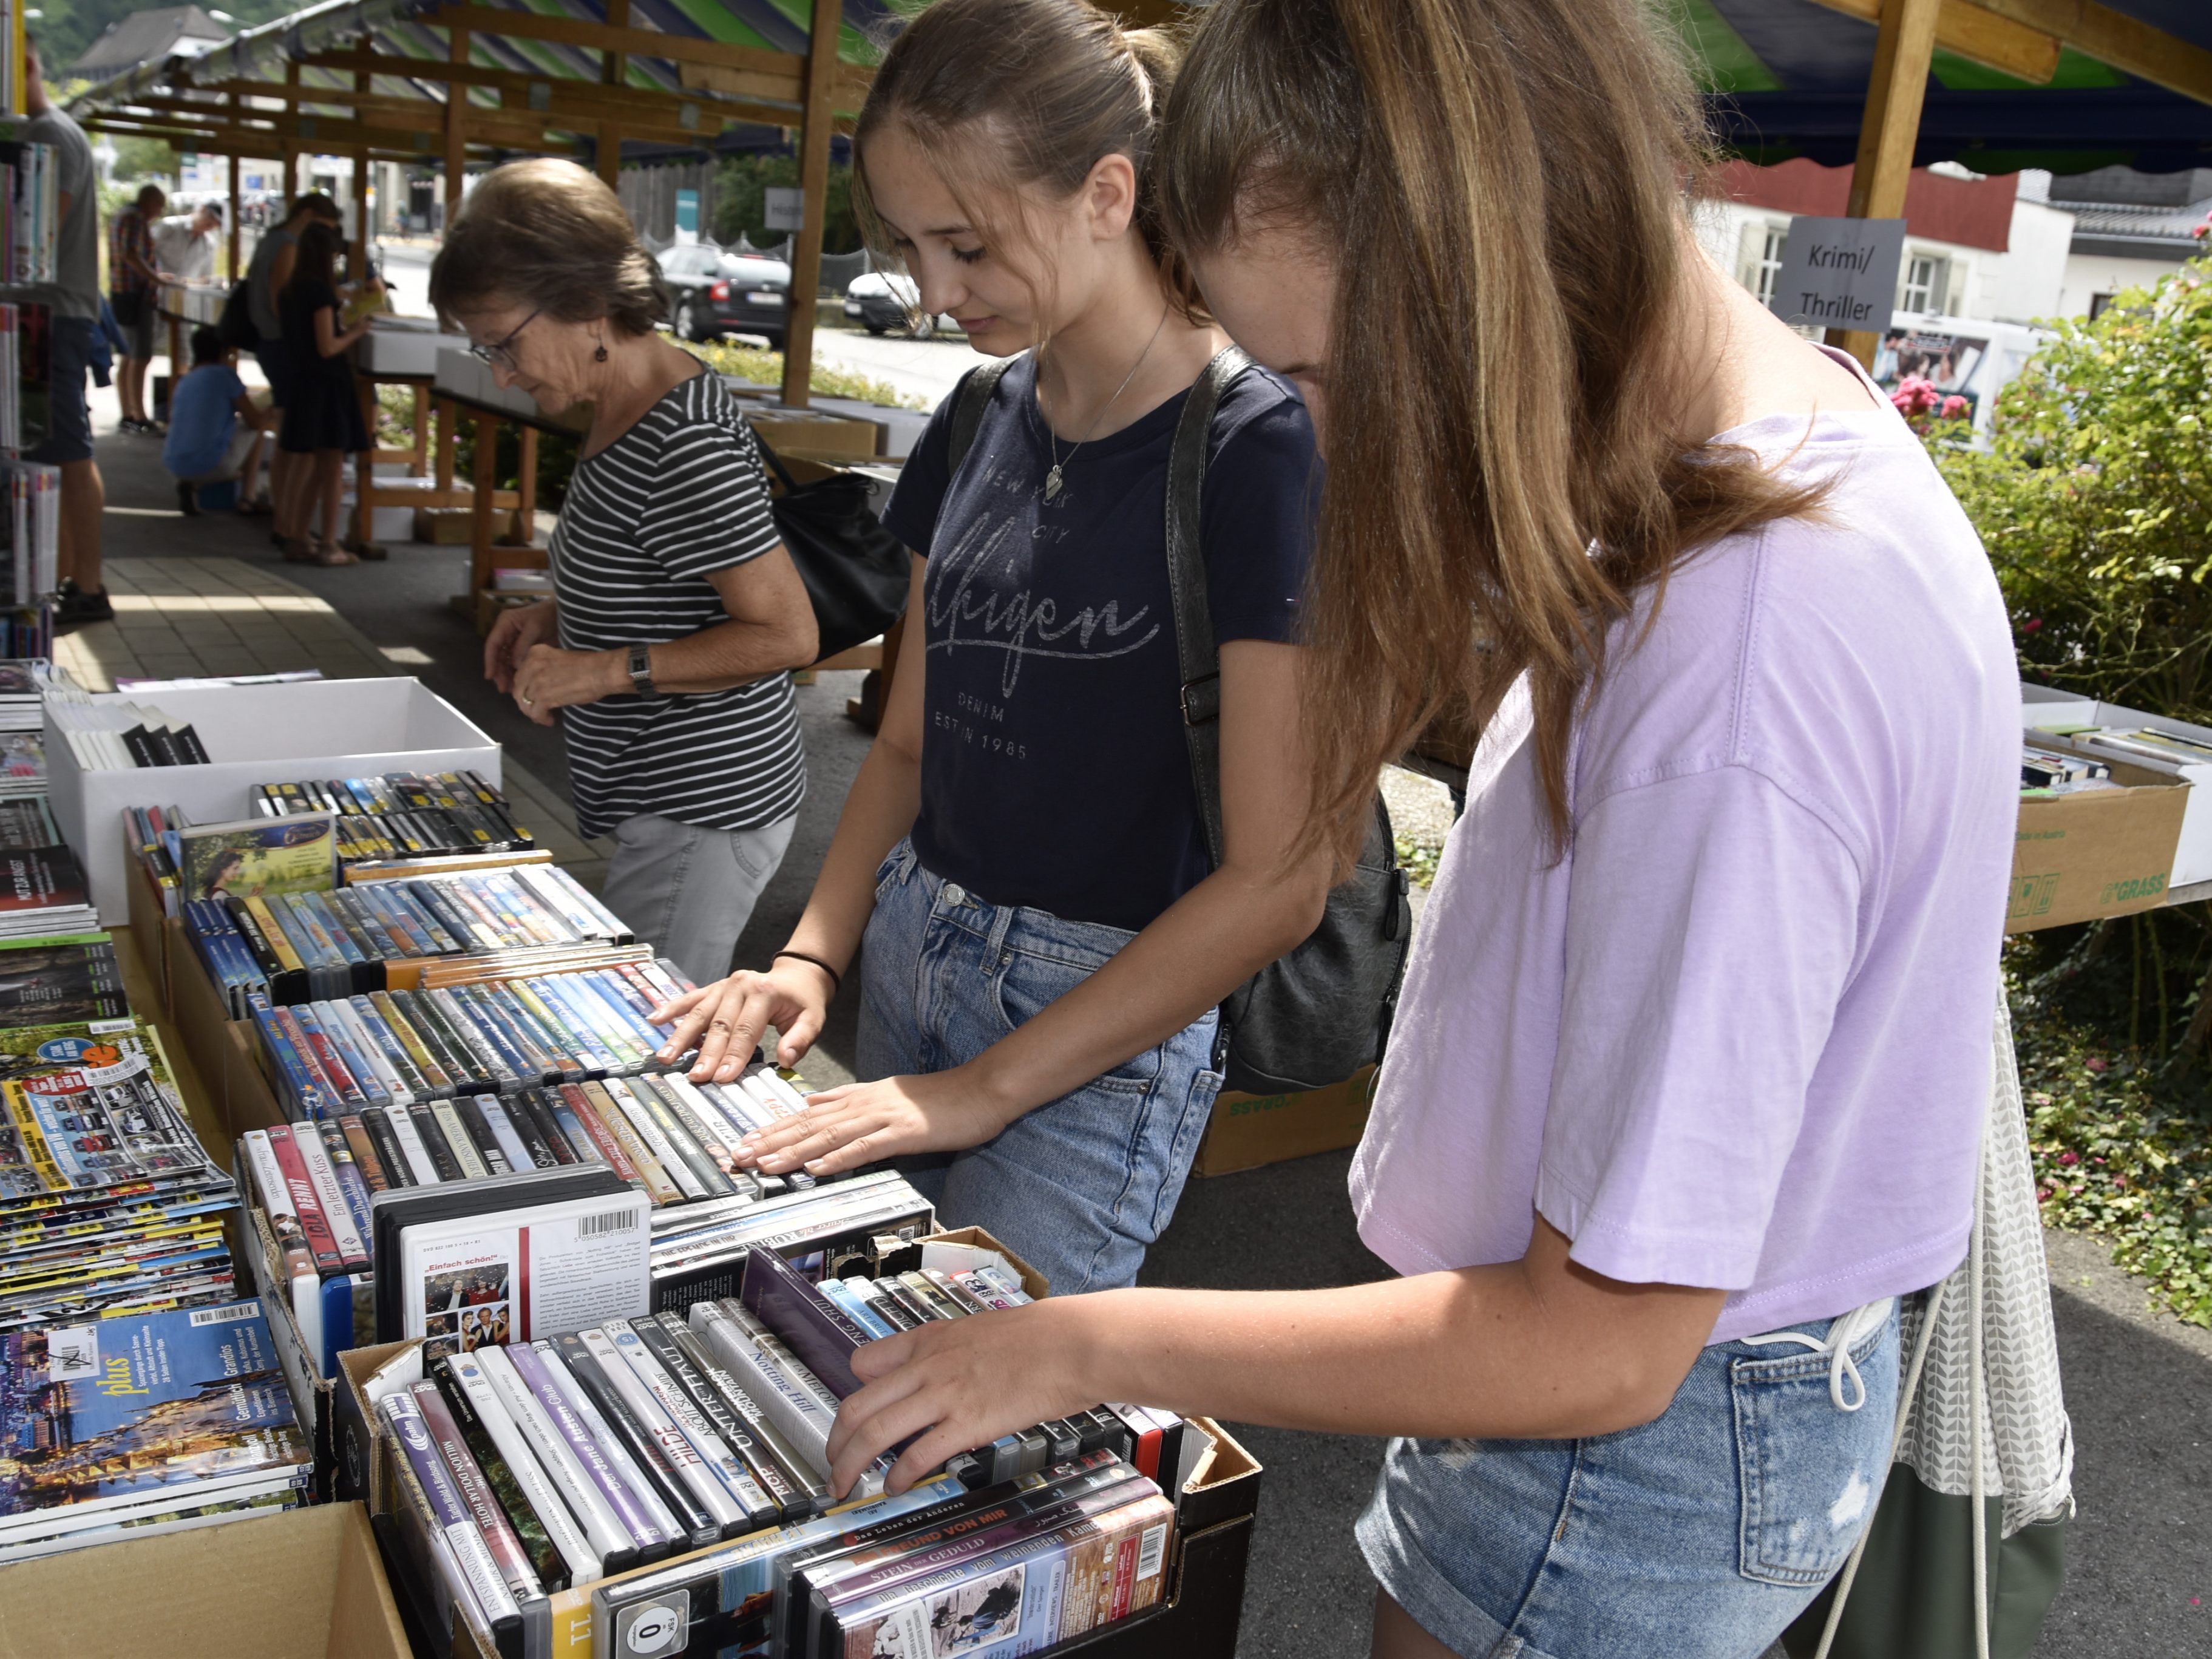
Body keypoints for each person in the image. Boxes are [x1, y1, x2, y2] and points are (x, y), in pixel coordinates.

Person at [809, 4, 2020, 1658]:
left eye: (1316, 370)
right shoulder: (1766, 445)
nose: (1314, 430)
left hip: (1608, 1455)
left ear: (1480, 255)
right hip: (1646, 1401)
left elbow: (1600, 1344)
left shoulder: (1739, 655)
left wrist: (1083, 1340)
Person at [648, 0, 1331, 1298]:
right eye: (908, 247)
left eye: (965, 245)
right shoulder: (974, 414)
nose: (933, 291)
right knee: (881, 1328)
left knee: (999, 1380)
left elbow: (1278, 879)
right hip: (915, 945)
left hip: (1101, 1013)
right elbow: (908, 741)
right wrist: (811, 953)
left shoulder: (1258, 450)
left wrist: (985, 1087)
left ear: (1107, 195)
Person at [429, 158, 818, 988]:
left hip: (704, 807)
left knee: (646, 1033)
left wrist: (599, 670)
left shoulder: (682, 440)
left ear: (584, 301)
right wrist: (557, 613)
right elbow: (660, 570)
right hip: (664, 800)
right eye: (482, 346)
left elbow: (786, 635)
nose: (500, 372)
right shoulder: (619, 403)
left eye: (505, 342)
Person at [20, 39, 110, 629]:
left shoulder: (52, 133)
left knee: (69, 450)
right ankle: (73, 581)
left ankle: (88, 586)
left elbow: (38, 231)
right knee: (58, 450)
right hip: (54, 314)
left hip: (54, 314)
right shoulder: (48, 130)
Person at [245, 191, 343, 554]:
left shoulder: (271, 239)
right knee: (299, 444)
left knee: (292, 439)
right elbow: (283, 302)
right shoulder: (289, 245)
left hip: (272, 343)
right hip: (283, 346)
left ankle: (286, 521)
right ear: (306, 216)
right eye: (322, 230)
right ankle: (289, 525)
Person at [274, 221, 372, 565]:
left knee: (317, 467)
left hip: (302, 382)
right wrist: (356, 332)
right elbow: (328, 347)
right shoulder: (319, 292)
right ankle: (330, 544)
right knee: (331, 469)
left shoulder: (290, 291)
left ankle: (299, 537)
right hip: (327, 385)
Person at [163, 326, 270, 517]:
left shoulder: (184, 381)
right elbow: (255, 421)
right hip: (212, 466)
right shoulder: (226, 376)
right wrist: (273, 409)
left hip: (175, 465)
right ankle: (247, 498)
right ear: (223, 353)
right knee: (257, 428)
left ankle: (191, 484)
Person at [109, 183, 166, 434]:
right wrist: (156, 279)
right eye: (159, 206)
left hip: (123, 292)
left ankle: (128, 413)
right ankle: (140, 416)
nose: (159, 212)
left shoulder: (123, 215)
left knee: (129, 355)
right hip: (135, 295)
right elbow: (130, 254)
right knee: (140, 356)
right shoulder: (134, 218)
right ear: (149, 201)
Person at [152, 200, 223, 282]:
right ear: (203, 210)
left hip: (187, 289)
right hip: (158, 285)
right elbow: (145, 253)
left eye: (218, 223)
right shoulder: (169, 226)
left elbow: (206, 276)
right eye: (211, 218)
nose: (212, 224)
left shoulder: (209, 244)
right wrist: (155, 275)